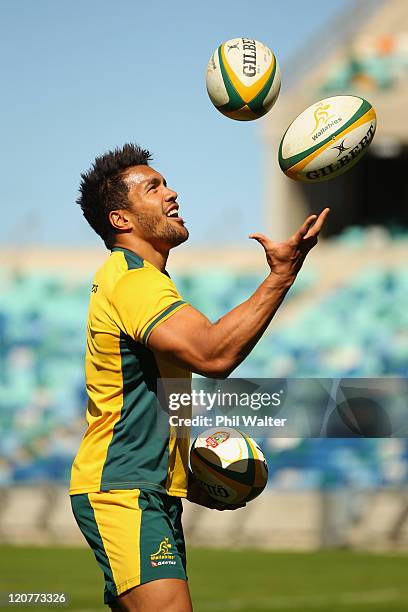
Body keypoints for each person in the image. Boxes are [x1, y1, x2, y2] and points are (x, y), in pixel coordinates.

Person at [69, 143, 329, 611]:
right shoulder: (133, 281)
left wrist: (184, 475)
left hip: (149, 489)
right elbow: (212, 355)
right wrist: (281, 276)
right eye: (154, 187)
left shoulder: (143, 281)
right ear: (121, 220)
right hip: (125, 489)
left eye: (166, 183)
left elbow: (165, 392)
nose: (172, 193)